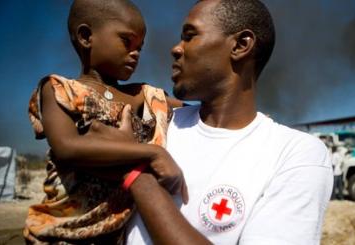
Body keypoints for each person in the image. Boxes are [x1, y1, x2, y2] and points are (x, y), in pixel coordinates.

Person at [84, 0, 332, 244]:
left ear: (241, 45)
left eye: (190, 36)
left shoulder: (295, 154)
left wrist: (137, 176)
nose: (176, 48)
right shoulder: (157, 124)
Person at [24, 0, 187, 243]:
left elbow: (199, 112)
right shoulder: (60, 90)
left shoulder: (144, 96)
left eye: (140, 48)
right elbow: (67, 147)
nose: (136, 54)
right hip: (63, 231)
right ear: (86, 37)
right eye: (126, 42)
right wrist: (152, 153)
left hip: (119, 232)